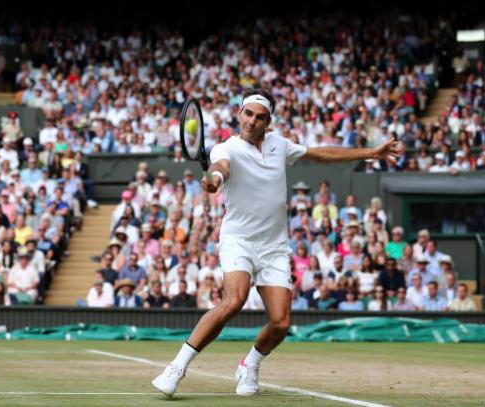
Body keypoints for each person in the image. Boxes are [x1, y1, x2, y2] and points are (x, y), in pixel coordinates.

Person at [152, 88, 399, 397]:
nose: (252, 121)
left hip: (274, 247)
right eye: (248, 114)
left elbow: (321, 153)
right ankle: (177, 367)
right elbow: (220, 169)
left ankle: (249, 364)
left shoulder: (280, 145)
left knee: (281, 323)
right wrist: (213, 180)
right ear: (239, 114)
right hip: (238, 240)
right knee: (234, 300)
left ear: (268, 121)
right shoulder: (225, 148)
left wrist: (370, 153)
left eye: (260, 117)